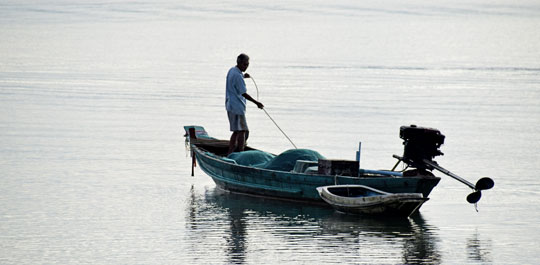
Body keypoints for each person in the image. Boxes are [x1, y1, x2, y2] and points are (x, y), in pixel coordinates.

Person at [225, 53, 264, 155]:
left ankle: (230, 153)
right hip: (237, 107)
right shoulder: (238, 76)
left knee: (236, 131)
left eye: (247, 64)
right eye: (244, 64)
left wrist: (243, 76)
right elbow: (243, 93)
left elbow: (236, 80)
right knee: (242, 131)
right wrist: (257, 103)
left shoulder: (232, 71)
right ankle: (241, 153)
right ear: (239, 63)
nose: (246, 66)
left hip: (230, 105)